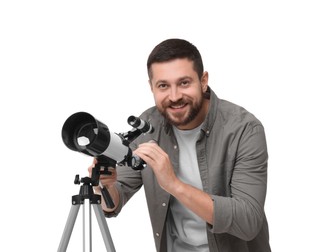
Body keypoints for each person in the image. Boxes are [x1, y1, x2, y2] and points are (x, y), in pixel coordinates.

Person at [89, 38, 271, 252]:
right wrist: (104, 186)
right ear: (151, 87)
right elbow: (113, 203)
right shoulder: (148, 126)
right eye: (163, 86)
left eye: (184, 83)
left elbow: (248, 221)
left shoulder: (244, 129)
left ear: (203, 81)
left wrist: (173, 184)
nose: (174, 97)